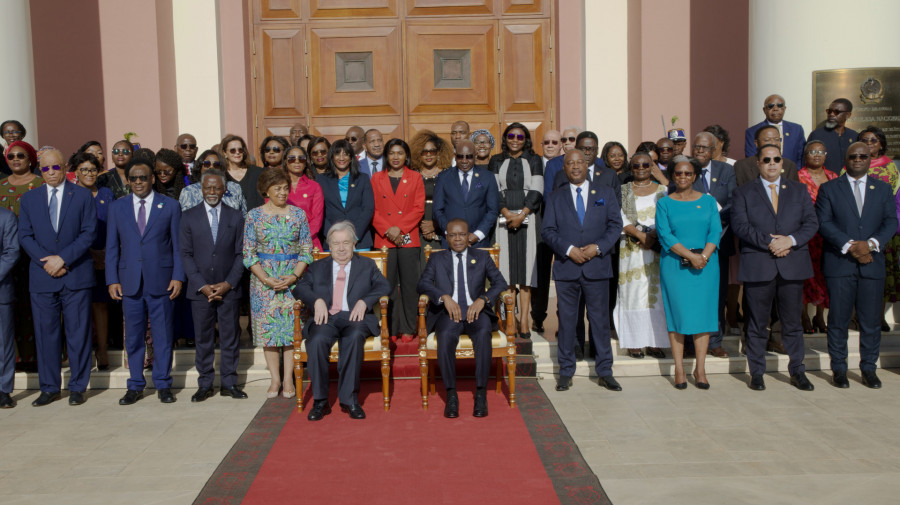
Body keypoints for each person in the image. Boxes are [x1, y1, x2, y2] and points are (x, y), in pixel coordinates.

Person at [731, 145, 818, 391]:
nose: (771, 163)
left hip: (792, 263)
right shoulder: (743, 192)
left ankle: (798, 371)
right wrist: (771, 242)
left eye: (776, 159)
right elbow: (740, 225)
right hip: (759, 264)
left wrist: (790, 241)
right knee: (757, 323)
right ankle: (757, 373)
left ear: (782, 163)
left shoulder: (799, 191)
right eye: (766, 160)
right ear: (758, 163)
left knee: (792, 324)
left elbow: (811, 223)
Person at [18, 148, 97, 406]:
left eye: (55, 167)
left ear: (64, 168)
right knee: (46, 334)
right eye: (45, 168)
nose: (51, 172)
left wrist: (62, 259)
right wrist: (48, 262)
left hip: (75, 274)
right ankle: (50, 387)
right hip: (43, 277)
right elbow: (25, 236)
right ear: (40, 172)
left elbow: (88, 233)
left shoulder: (83, 196)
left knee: (78, 333)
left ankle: (77, 387)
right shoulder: (29, 200)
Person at [816, 142, 898, 389]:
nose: (859, 159)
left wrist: (871, 244)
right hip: (840, 264)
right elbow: (824, 222)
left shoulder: (883, 189)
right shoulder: (829, 189)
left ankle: (869, 369)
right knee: (839, 320)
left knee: (871, 321)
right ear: (846, 159)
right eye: (854, 156)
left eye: (864, 156)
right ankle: (839, 369)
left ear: (870, 158)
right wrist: (852, 246)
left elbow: (890, 222)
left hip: (872, 264)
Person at [542, 149, 623, 392]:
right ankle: (566, 371)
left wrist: (597, 248)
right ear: (564, 168)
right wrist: (568, 249)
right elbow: (548, 231)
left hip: (597, 268)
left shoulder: (606, 194)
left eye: (580, 162)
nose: (575, 167)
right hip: (567, 269)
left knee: (599, 322)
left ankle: (605, 371)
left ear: (587, 165)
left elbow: (615, 225)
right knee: (567, 322)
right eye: (570, 163)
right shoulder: (556, 197)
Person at [106, 159, 185, 405]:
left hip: (161, 280)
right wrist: (112, 279)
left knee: (162, 335)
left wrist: (177, 276)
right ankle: (135, 384)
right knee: (133, 337)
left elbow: (178, 247)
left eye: (143, 178)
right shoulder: (117, 208)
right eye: (134, 178)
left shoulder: (170, 206)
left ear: (152, 179)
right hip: (129, 282)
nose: (138, 182)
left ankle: (163, 384)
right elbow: (111, 248)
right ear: (127, 181)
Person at [294, 221, 390, 421]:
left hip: (355, 318)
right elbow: (300, 288)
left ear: (354, 244)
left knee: (355, 337)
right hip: (326, 318)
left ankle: (349, 400)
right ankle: (321, 401)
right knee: (317, 340)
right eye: (336, 243)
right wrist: (316, 300)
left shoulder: (366, 265)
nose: (341, 248)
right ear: (329, 245)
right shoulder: (317, 266)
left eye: (346, 242)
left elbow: (384, 286)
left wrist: (365, 301)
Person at [417, 218, 508, 418]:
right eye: (452, 235)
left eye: (462, 234)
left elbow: (500, 283)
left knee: (484, 333)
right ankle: (451, 394)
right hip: (449, 313)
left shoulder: (482, 257)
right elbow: (423, 284)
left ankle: (481, 393)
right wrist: (444, 297)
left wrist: (483, 299)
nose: (457, 239)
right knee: (446, 336)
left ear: (469, 237)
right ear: (446, 238)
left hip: (476, 312)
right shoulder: (437, 258)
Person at [243, 168, 313, 398]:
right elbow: (248, 253)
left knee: (291, 332)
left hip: (292, 280)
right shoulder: (254, 215)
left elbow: (306, 250)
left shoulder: (298, 214)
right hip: (264, 282)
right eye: (277, 189)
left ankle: (288, 380)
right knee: (269, 333)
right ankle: (274, 380)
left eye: (285, 188)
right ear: (266, 191)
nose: (283, 193)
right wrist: (265, 279)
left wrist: (293, 276)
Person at [180, 169, 248, 401]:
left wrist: (228, 283)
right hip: (200, 291)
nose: (211, 192)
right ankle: (205, 383)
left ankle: (229, 382)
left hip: (229, 288)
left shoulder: (236, 216)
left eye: (216, 188)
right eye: (207, 187)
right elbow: (186, 255)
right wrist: (202, 285)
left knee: (230, 337)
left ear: (224, 189)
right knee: (203, 339)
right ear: (201, 189)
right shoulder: (188, 216)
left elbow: (242, 254)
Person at [656, 157, 721, 389]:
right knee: (678, 315)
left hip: (707, 265)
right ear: (673, 176)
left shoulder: (708, 201)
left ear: (695, 176)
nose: (683, 177)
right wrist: (691, 256)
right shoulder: (664, 203)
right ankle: (680, 369)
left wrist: (703, 256)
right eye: (678, 173)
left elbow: (715, 231)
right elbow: (665, 235)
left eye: (688, 173)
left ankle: (700, 369)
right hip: (675, 266)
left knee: (702, 316)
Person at [490, 123, 543, 339]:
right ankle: (510, 317)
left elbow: (538, 189)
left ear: (526, 139)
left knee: (526, 271)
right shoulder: (496, 160)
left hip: (528, 217)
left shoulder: (534, 159)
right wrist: (506, 212)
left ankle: (524, 322)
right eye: (511, 135)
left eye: (520, 136)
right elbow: (494, 190)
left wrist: (521, 214)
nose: (515, 139)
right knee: (508, 270)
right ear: (505, 138)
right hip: (502, 218)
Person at [614, 152, 669, 359]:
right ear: (631, 167)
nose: (641, 168)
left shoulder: (664, 191)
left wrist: (653, 236)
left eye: (646, 164)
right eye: (636, 165)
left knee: (656, 296)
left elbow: (671, 212)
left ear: (652, 166)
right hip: (632, 250)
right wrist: (639, 234)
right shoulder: (623, 191)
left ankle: (655, 342)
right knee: (633, 293)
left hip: (656, 249)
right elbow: (618, 215)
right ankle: (634, 342)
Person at [371, 138, 424, 341]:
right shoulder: (376, 178)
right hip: (384, 238)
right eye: (392, 153)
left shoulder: (415, 177)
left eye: (399, 153)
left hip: (408, 237)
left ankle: (410, 328)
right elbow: (373, 208)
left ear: (406, 156)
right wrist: (388, 230)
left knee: (410, 285)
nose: (395, 157)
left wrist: (399, 229)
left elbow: (418, 208)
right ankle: (391, 328)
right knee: (388, 285)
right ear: (386, 156)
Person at [690, 132, 736, 359]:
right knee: (693, 294)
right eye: (696, 147)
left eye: (704, 147)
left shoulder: (727, 171)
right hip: (692, 245)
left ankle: (715, 341)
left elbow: (733, 200)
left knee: (717, 295)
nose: (699, 151)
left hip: (720, 242)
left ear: (714, 149)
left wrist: (716, 220)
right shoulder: (686, 171)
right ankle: (691, 342)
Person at [0, 140, 42, 372]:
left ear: (30, 159)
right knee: (9, 311)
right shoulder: (0, 186)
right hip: (5, 262)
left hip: (32, 257)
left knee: (32, 308)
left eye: (21, 156)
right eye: (11, 156)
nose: (16, 159)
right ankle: (12, 360)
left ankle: (34, 358)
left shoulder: (41, 184)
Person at [70, 151, 114, 370]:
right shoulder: (70, 194)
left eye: (93, 169)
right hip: (79, 259)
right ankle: (81, 353)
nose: (89, 173)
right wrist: (89, 252)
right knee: (78, 309)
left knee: (101, 306)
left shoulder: (106, 193)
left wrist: (106, 253)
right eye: (84, 169)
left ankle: (103, 350)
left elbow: (113, 225)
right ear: (75, 172)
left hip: (105, 258)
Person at [855, 127, 900, 330]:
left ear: (881, 144)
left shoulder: (890, 168)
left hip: (883, 231)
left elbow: (895, 201)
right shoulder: (852, 163)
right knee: (856, 274)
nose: (870, 143)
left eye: (874, 140)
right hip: (856, 229)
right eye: (865, 140)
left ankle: (879, 317)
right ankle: (856, 316)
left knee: (881, 276)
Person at [798, 141, 836, 334]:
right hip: (807, 235)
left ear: (825, 155)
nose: (816, 154)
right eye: (812, 151)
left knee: (825, 274)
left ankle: (820, 316)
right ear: (806, 155)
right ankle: (804, 316)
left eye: (821, 151)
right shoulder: (798, 176)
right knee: (806, 276)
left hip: (828, 235)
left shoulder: (833, 176)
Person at [432, 139, 499, 248]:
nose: (464, 161)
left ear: (475, 156)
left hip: (478, 242)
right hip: (451, 242)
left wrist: (478, 234)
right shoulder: (444, 177)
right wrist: (452, 233)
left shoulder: (488, 177)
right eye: (460, 156)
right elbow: (437, 210)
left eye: (469, 156)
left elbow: (492, 210)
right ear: (455, 156)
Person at [317, 139, 375, 249]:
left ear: (351, 157)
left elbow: (368, 208)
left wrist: (354, 236)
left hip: (359, 241)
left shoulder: (363, 179)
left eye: (345, 154)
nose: (341, 158)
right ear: (332, 157)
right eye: (337, 154)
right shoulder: (321, 180)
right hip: (331, 241)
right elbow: (319, 212)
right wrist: (332, 236)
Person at [412, 130, 452, 251]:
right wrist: (423, 226)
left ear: (438, 153)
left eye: (432, 151)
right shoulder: (412, 174)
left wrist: (435, 225)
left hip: (441, 226)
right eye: (424, 152)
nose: (428, 155)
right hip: (416, 227)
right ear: (419, 153)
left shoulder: (448, 174)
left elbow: (452, 203)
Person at [547, 132, 616, 198]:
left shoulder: (609, 175)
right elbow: (554, 200)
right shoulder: (562, 175)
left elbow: (615, 204)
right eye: (583, 149)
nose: (587, 153)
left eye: (592, 149)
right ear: (576, 148)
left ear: (597, 150)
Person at [179, 149, 248, 216]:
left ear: (221, 168)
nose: (211, 167)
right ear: (200, 167)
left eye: (216, 164)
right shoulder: (188, 192)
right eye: (207, 164)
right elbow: (184, 220)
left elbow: (243, 216)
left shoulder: (235, 188)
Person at [744, 94, 806, 166]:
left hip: (792, 174)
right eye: (770, 106)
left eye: (779, 105)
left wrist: (794, 172)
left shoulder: (797, 129)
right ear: (764, 110)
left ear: (784, 108)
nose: (775, 109)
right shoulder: (752, 131)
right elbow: (751, 157)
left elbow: (801, 157)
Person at [284, 145, 324, 251]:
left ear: (306, 162)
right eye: (292, 158)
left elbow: (317, 219)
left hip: (308, 242)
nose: (297, 161)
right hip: (282, 243)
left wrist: (301, 239)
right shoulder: (277, 186)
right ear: (285, 161)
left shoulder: (314, 187)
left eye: (301, 158)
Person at [735, 125, 799, 186]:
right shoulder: (742, 166)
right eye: (767, 140)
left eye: (777, 139)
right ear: (756, 143)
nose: (773, 143)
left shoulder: (789, 165)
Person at [808, 98, 858, 175]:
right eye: (829, 111)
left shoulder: (854, 136)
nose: (831, 114)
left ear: (847, 115)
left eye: (836, 112)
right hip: (825, 182)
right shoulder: (817, 135)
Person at [0, 206, 17, 408]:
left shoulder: (6, 217)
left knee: (3, 343)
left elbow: (11, 251)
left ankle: (3, 389)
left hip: (1, 287)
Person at [222, 134, 264, 210]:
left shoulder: (257, 172)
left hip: (254, 219)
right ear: (225, 153)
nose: (237, 152)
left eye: (240, 150)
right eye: (233, 150)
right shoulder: (221, 175)